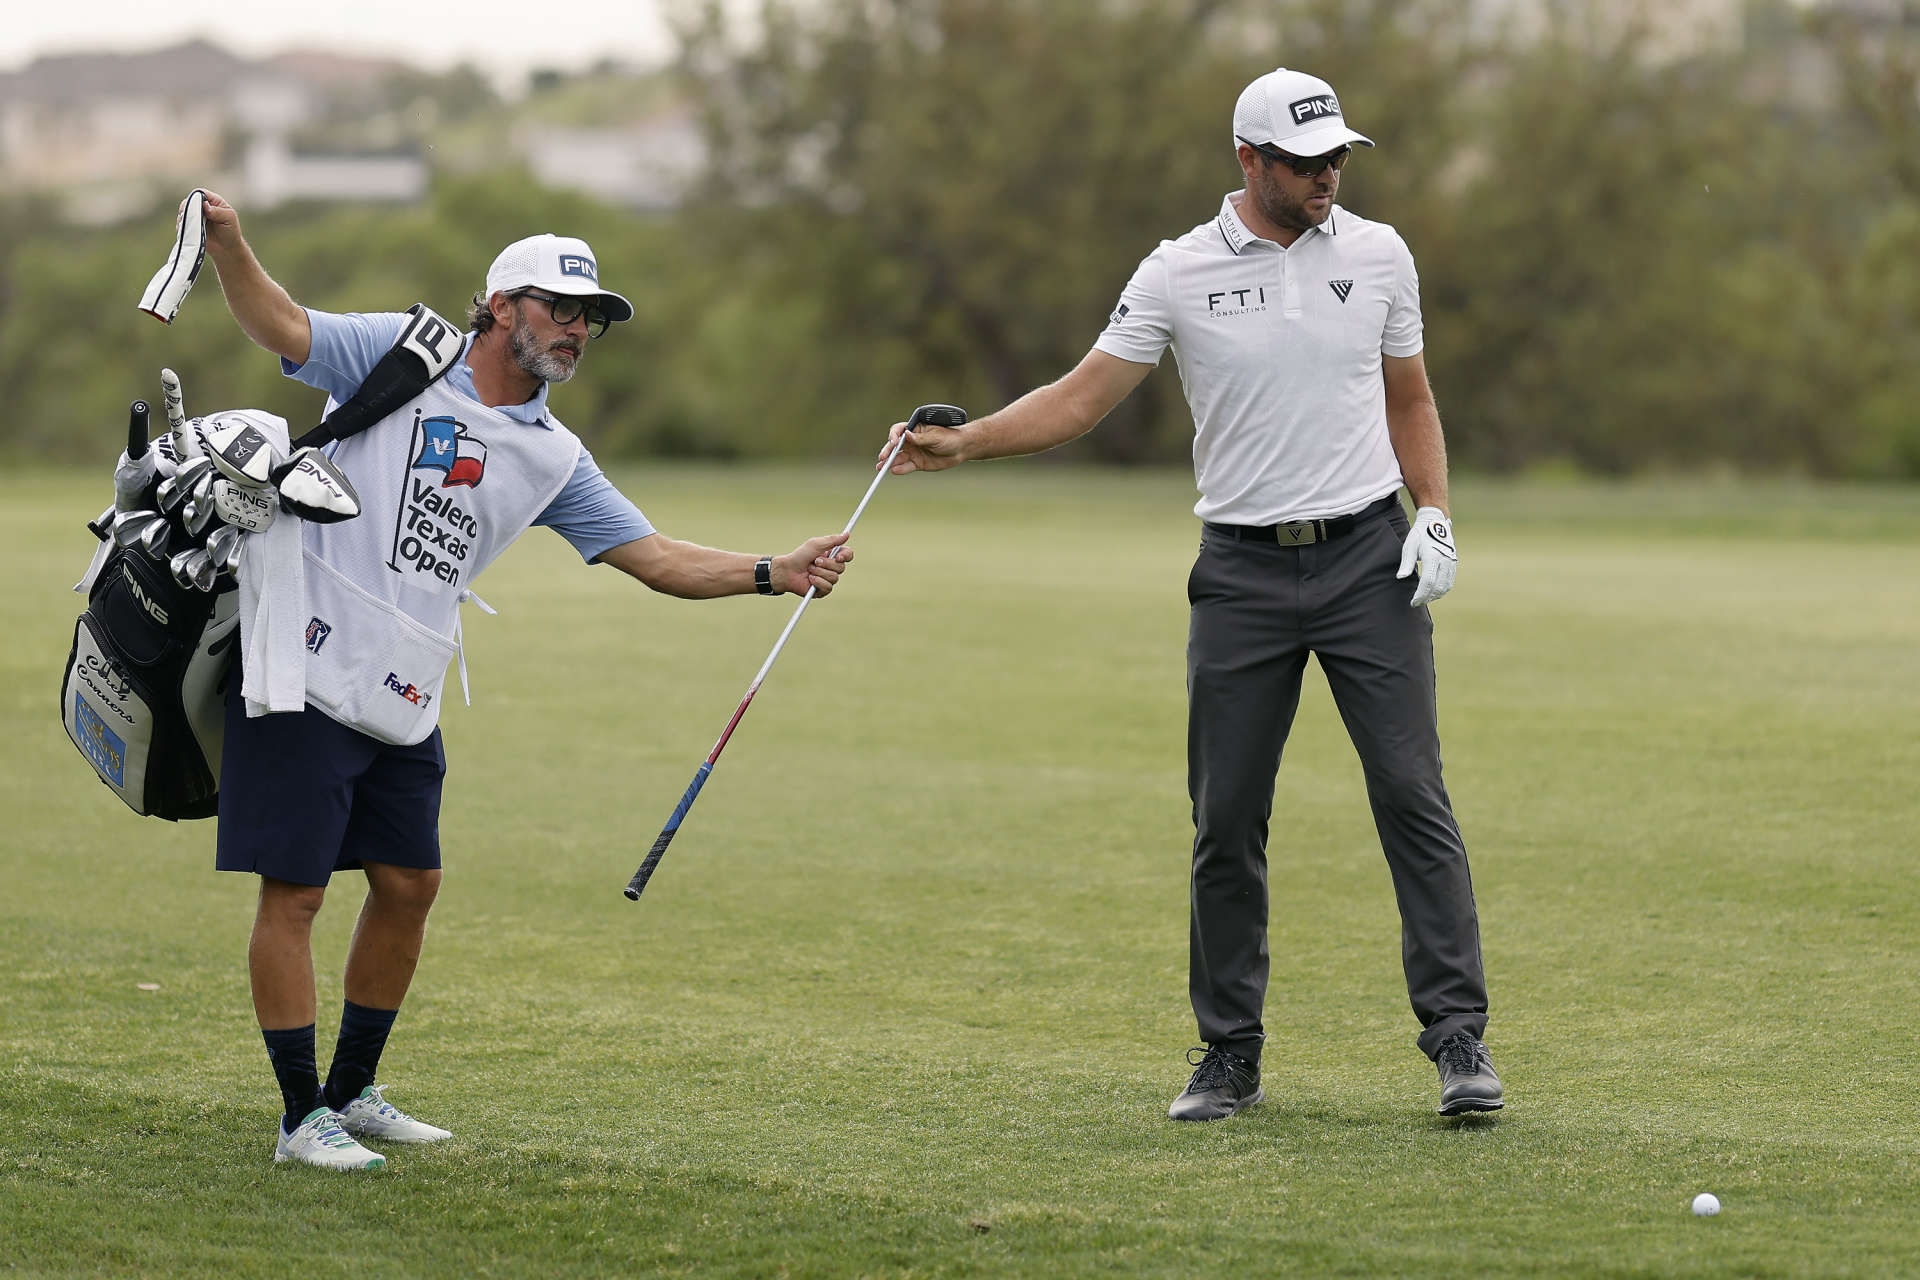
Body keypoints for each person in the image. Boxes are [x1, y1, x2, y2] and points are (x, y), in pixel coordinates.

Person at [878, 69, 1501, 1120]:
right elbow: (1083, 395)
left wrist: (1432, 507)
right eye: (1305, 162)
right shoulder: (1177, 272)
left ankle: (1458, 1038)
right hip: (1242, 573)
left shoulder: (1380, 252)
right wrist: (968, 442)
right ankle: (1230, 1052)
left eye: (1338, 157)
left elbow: (1411, 394)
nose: (1328, 177)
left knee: (1412, 794)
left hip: (1365, 559)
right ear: (1248, 161)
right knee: (1226, 817)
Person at [194, 191, 858, 1169]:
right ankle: (302, 1119)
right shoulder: (401, 350)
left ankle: (352, 1089)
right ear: (501, 305)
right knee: (292, 894)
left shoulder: (555, 456)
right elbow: (283, 326)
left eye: (590, 316)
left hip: (406, 686)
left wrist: (776, 570)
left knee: (410, 881)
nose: (579, 329)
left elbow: (655, 555)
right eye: (561, 307)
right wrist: (231, 247)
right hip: (303, 655)